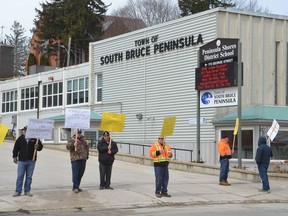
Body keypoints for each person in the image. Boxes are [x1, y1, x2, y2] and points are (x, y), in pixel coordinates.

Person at [12, 126, 43, 197]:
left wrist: (37, 147)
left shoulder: (35, 139)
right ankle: (18, 191)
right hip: (21, 161)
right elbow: (16, 148)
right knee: (20, 176)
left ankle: (27, 191)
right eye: (24, 130)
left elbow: (41, 147)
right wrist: (14, 156)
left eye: (26, 130)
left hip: (31, 161)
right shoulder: (20, 139)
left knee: (29, 177)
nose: (25, 132)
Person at [66, 129, 89, 193]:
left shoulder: (84, 139)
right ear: (75, 133)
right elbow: (67, 147)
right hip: (75, 159)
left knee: (80, 173)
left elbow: (87, 148)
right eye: (78, 133)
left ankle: (77, 186)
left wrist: (87, 156)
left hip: (83, 159)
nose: (79, 134)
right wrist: (73, 144)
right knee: (75, 173)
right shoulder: (72, 139)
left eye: (80, 133)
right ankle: (75, 187)